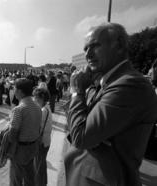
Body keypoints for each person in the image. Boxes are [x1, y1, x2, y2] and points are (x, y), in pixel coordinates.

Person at [65, 23, 157, 186]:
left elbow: (80, 137)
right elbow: (77, 125)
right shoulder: (107, 83)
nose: (88, 54)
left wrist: (76, 91)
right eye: (85, 49)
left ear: (119, 45)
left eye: (95, 45)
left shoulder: (130, 84)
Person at [8, 78, 42, 186]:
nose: (13, 90)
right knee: (29, 176)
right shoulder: (37, 106)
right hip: (33, 147)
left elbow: (13, 133)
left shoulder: (19, 109)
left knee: (15, 179)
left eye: (14, 88)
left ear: (20, 91)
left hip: (20, 150)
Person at [33, 88, 53, 186]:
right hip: (46, 141)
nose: (34, 100)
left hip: (41, 143)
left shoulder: (43, 110)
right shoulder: (47, 108)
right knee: (41, 165)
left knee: (38, 167)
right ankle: (43, 183)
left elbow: (38, 128)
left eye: (36, 98)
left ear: (41, 98)